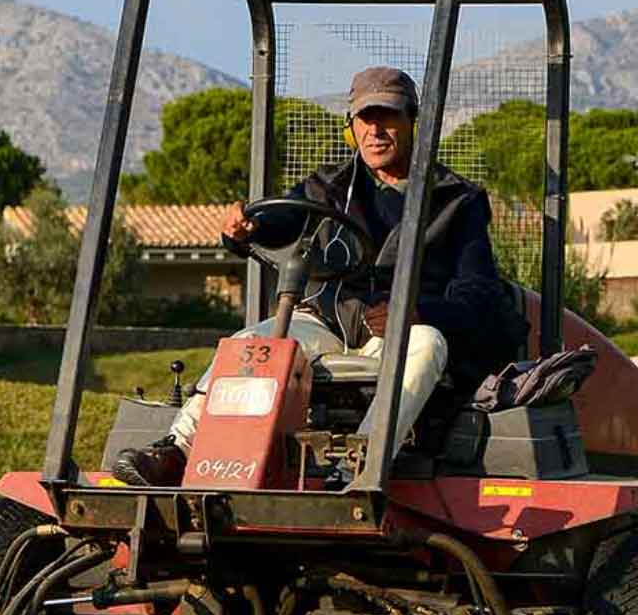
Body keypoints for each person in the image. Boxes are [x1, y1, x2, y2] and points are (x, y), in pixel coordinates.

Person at [113, 66, 524, 486]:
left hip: (401, 331)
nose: (376, 130)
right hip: (326, 321)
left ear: (412, 121)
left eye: (388, 116)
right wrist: (249, 228)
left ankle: (362, 466)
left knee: (428, 342)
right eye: (366, 118)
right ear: (352, 126)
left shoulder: (457, 201)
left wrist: (414, 313)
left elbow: (479, 293)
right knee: (250, 344)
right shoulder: (328, 187)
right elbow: (280, 219)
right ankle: (177, 451)